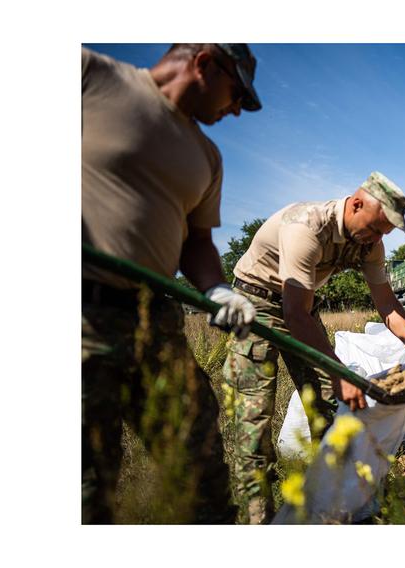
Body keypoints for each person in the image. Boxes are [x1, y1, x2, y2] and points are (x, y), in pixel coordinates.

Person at [82, 44, 262, 523]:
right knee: (85, 483)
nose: (238, 110)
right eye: (238, 94)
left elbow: (198, 241)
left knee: (201, 467)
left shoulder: (208, 156)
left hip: (153, 317)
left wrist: (217, 289)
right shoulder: (91, 75)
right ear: (204, 61)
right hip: (80, 313)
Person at [222, 171, 405, 524]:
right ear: (357, 203)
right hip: (257, 302)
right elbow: (292, 313)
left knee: (328, 404)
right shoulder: (306, 227)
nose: (377, 239)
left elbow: (387, 304)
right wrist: (338, 371)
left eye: (384, 234)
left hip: (302, 305)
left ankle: (331, 502)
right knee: (254, 415)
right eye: (376, 228)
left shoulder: (369, 243)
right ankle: (261, 520)